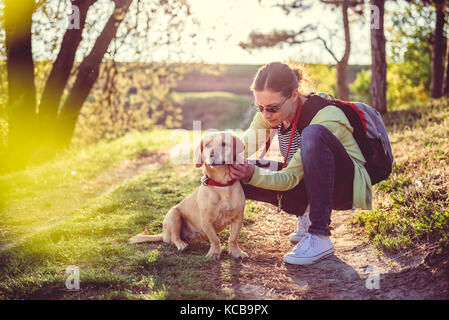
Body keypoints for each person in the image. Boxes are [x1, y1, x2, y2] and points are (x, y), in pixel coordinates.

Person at [229, 62, 372, 265]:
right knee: (234, 171)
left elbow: (289, 178)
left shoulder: (325, 116)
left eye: (272, 108)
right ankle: (305, 211)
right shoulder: (269, 113)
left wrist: (252, 173)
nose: (265, 114)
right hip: (305, 179)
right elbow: (243, 147)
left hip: (344, 187)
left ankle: (320, 235)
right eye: (259, 107)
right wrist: (221, 152)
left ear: (294, 95)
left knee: (313, 134)